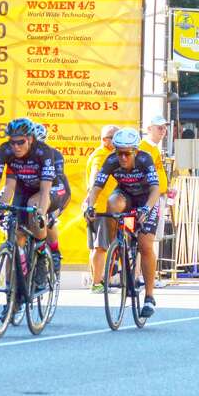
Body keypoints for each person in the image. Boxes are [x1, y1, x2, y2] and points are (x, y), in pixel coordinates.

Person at [0, 118, 58, 303]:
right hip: (23, 189)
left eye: (20, 142)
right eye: (12, 142)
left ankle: (42, 256)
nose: (16, 146)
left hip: (44, 191)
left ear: (30, 139)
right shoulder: (5, 150)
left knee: (35, 210)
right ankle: (13, 295)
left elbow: (45, 191)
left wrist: (42, 215)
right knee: (16, 237)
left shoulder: (43, 152)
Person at [83, 128, 161, 317]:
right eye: (119, 153)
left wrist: (146, 209)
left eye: (127, 153)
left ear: (135, 151)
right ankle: (116, 246)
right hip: (125, 197)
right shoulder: (111, 160)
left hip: (146, 200)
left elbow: (155, 190)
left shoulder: (145, 159)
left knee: (145, 245)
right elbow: (96, 188)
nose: (123, 158)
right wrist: (89, 205)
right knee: (112, 202)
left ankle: (149, 297)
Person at [32, 122, 69, 274]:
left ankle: (53, 251)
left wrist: (54, 212)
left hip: (55, 188)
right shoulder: (19, 155)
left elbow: (60, 186)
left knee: (46, 218)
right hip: (33, 191)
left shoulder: (54, 155)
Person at [84, 125, 118, 292]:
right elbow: (94, 177)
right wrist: (91, 201)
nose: (118, 140)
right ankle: (97, 283)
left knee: (110, 246)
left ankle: (104, 281)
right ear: (105, 140)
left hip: (113, 208)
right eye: (114, 137)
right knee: (100, 246)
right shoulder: (100, 155)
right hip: (101, 207)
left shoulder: (114, 155)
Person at [140, 115, 170, 244]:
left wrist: (166, 188)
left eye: (164, 128)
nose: (163, 131)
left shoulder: (153, 148)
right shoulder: (144, 147)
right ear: (149, 129)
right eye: (159, 128)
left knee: (153, 239)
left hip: (158, 196)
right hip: (151, 198)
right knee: (147, 238)